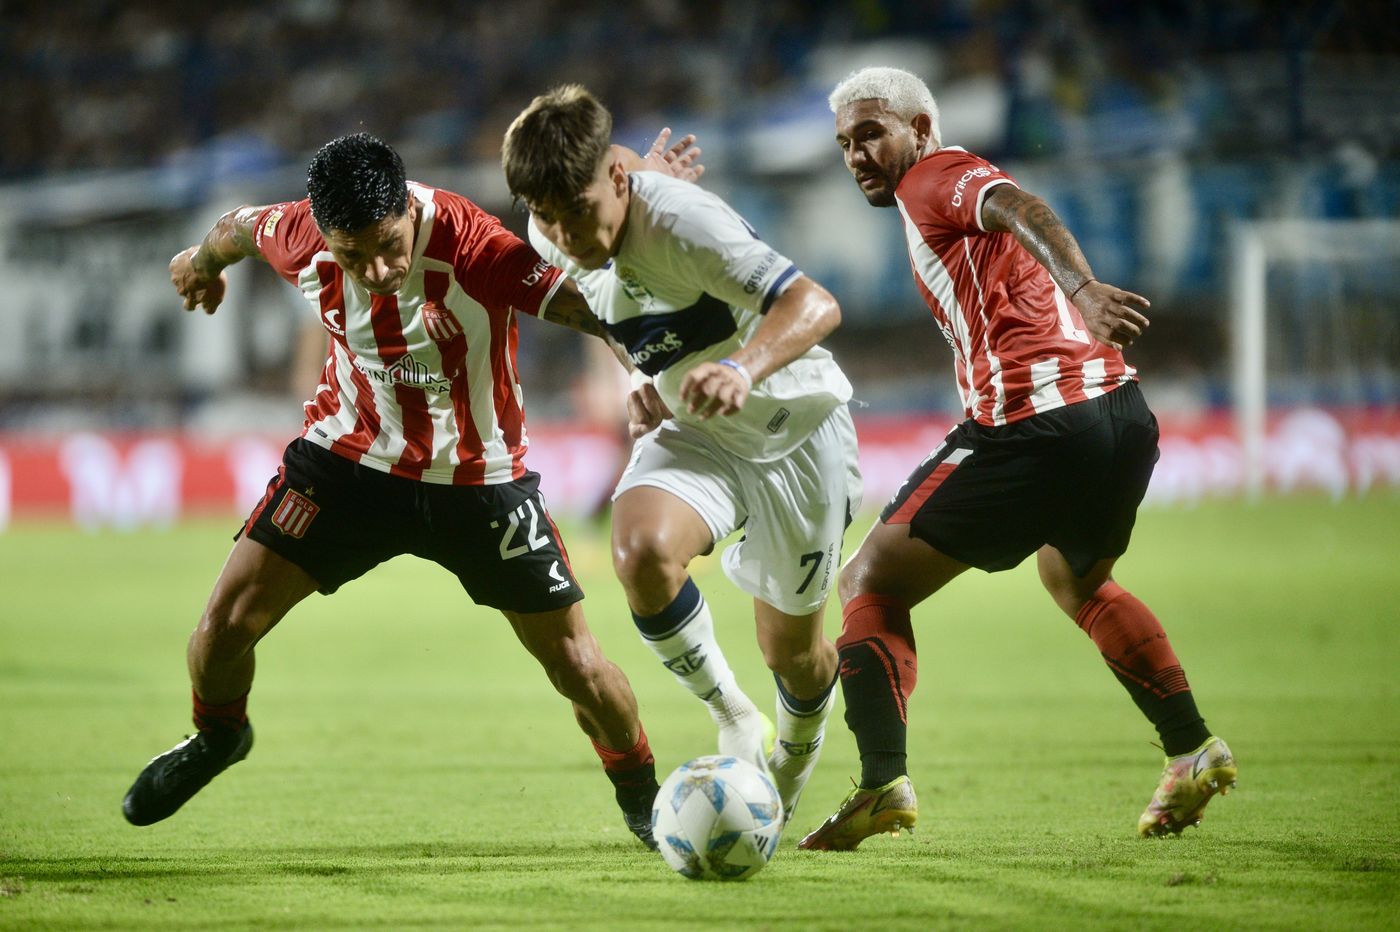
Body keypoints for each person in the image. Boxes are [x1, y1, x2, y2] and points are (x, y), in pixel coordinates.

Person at [123, 130, 698, 849]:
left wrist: (642, 374)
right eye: (352, 254)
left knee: (577, 664)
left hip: (480, 478)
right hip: (347, 464)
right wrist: (201, 265)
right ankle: (219, 737)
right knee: (218, 632)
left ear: (407, 209)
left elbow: (595, 309)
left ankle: (644, 797)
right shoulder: (299, 234)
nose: (377, 268)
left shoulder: (474, 247)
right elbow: (236, 228)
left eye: (389, 244)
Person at [798, 67, 1236, 850]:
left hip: (1037, 424)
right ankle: (1190, 746)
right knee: (1078, 577)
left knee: (867, 580)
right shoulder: (932, 191)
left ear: (921, 128)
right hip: (1120, 414)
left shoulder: (935, 176)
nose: (857, 154)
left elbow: (1016, 204)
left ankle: (880, 783)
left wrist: (1084, 287)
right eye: (844, 143)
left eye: (872, 133)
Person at [500, 85, 864, 826]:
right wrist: (639, 372)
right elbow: (605, 303)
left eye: (579, 211)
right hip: (698, 426)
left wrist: (740, 369)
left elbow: (817, 305)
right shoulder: (559, 222)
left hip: (796, 427)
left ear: (620, 183)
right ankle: (732, 714)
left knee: (793, 654)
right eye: (547, 216)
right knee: (638, 551)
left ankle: (793, 759)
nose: (565, 235)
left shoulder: (684, 223)